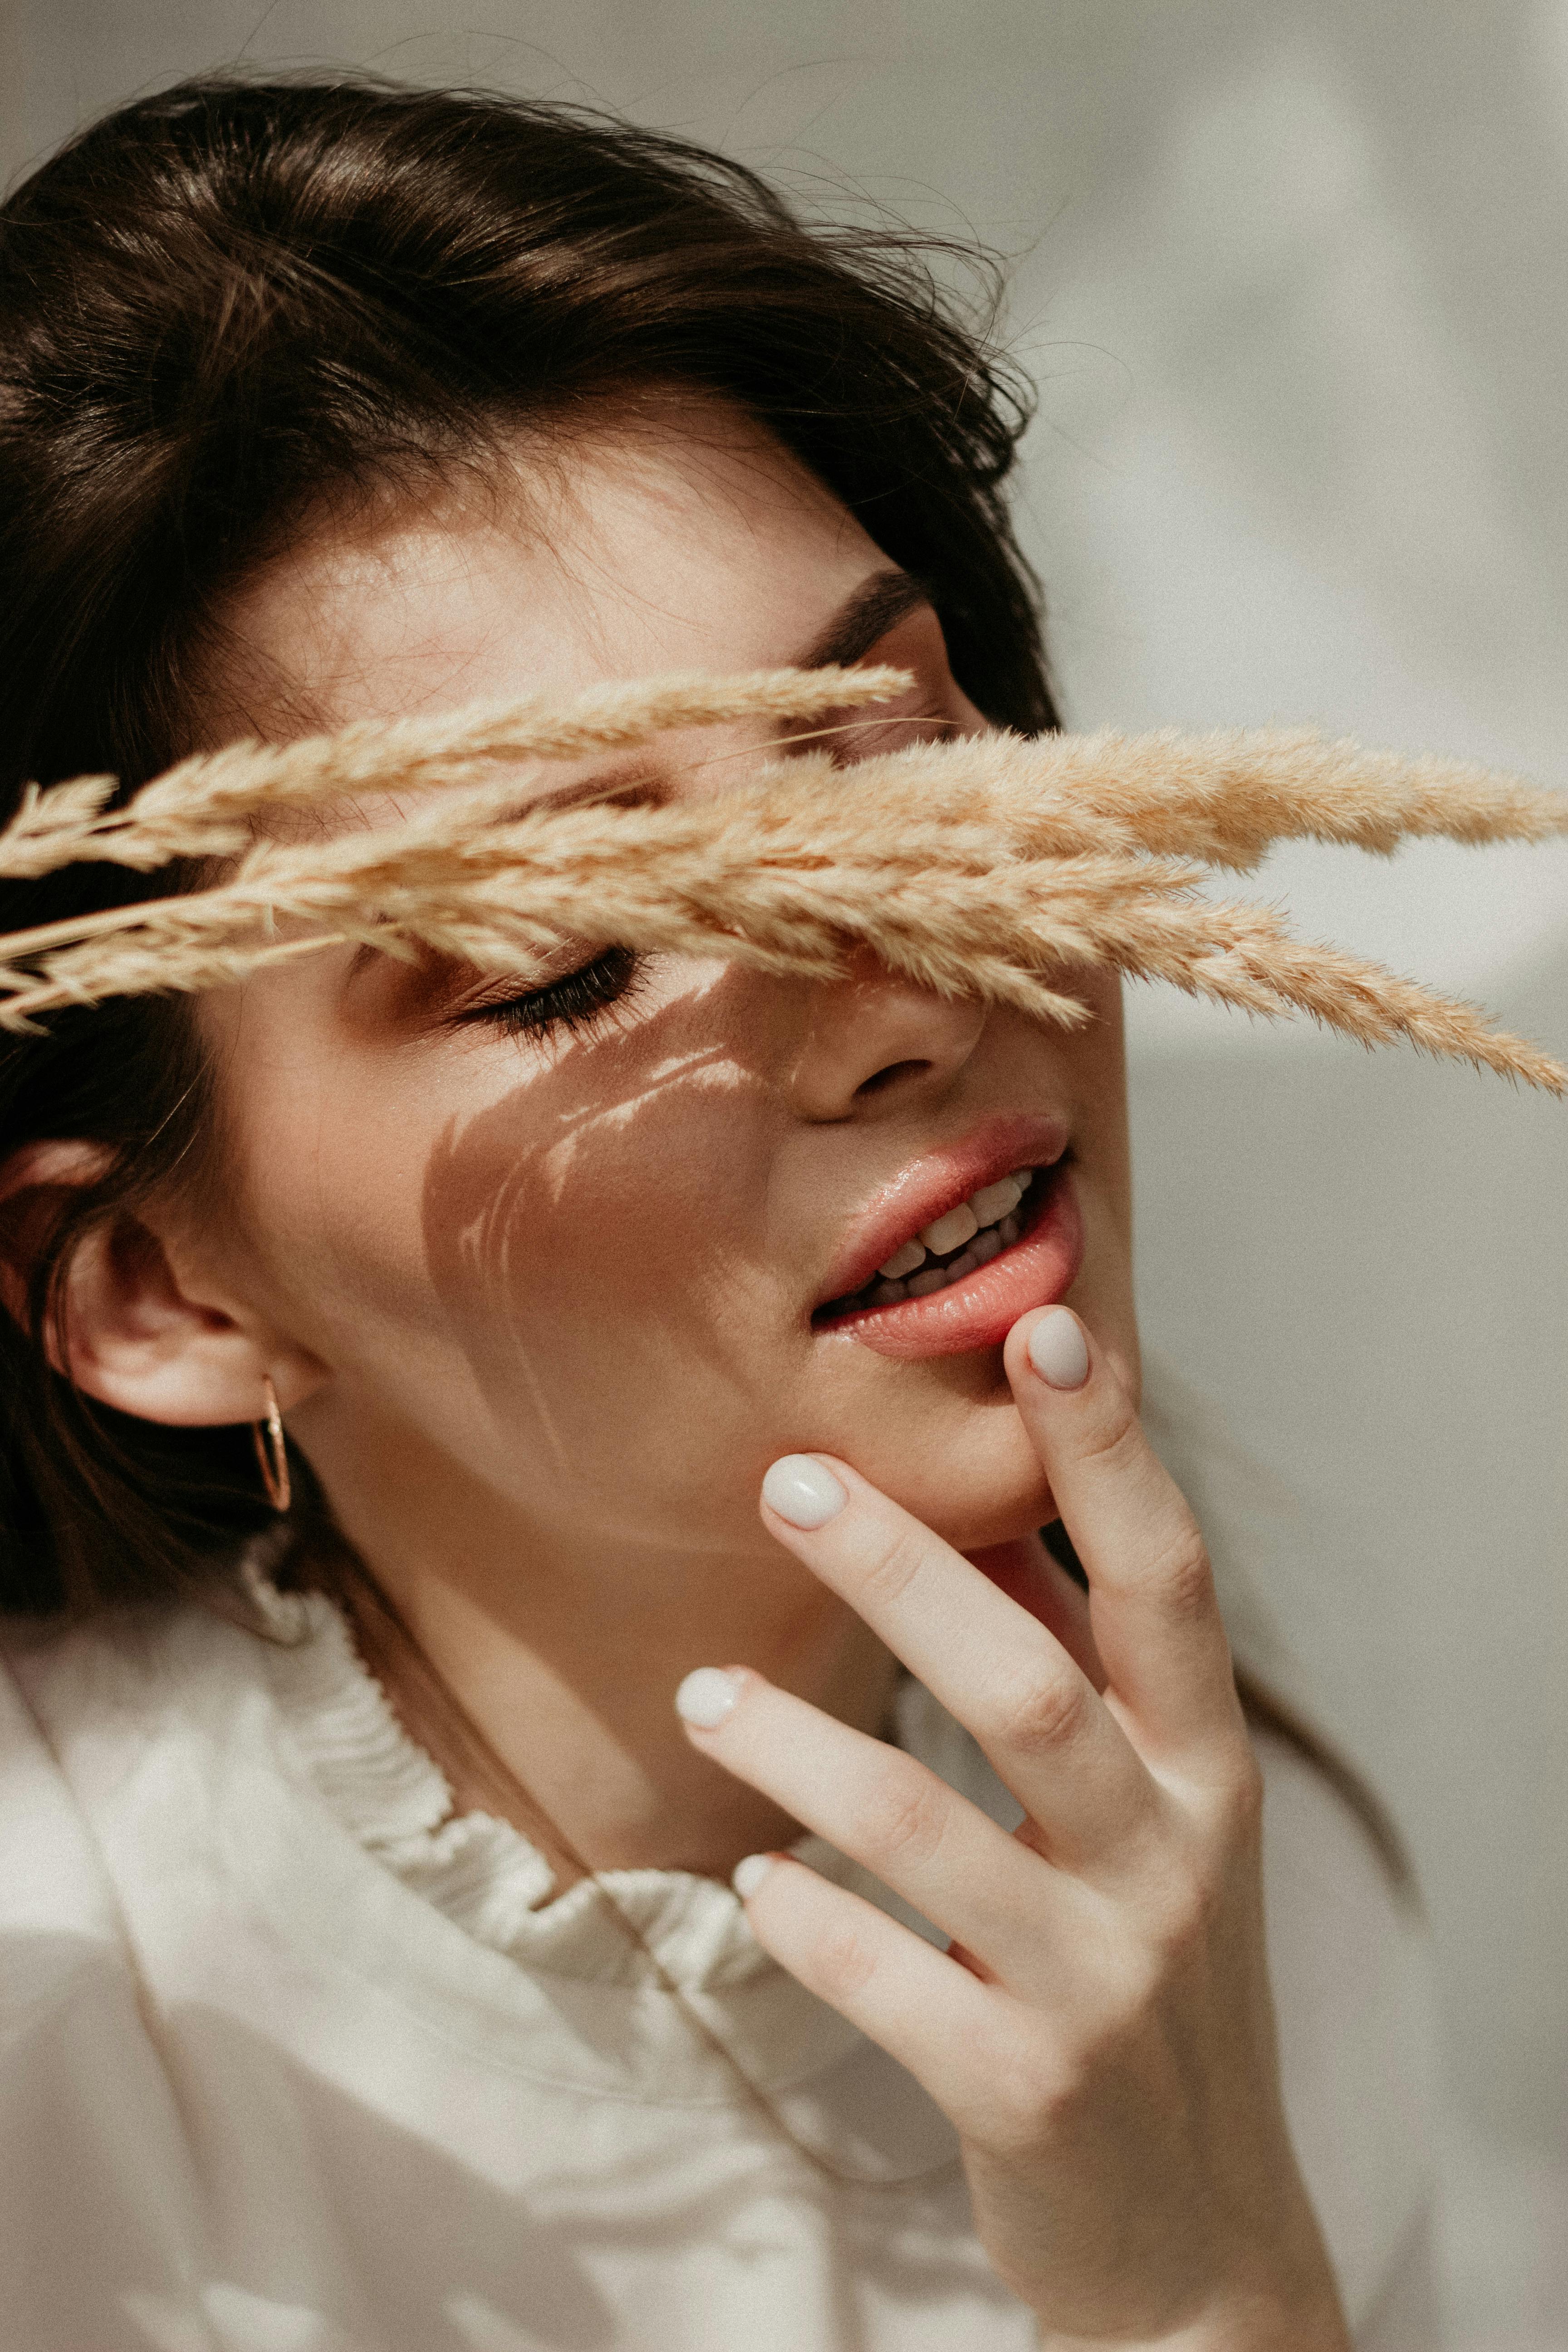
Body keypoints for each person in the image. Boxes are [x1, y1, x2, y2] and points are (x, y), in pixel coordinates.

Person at [0, 77, 1435, 2352]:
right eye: (570, 951)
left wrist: (1214, 2270)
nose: (908, 993)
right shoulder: (58, 2049)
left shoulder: (1273, 1918)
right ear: (165, 1292)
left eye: (905, 755)